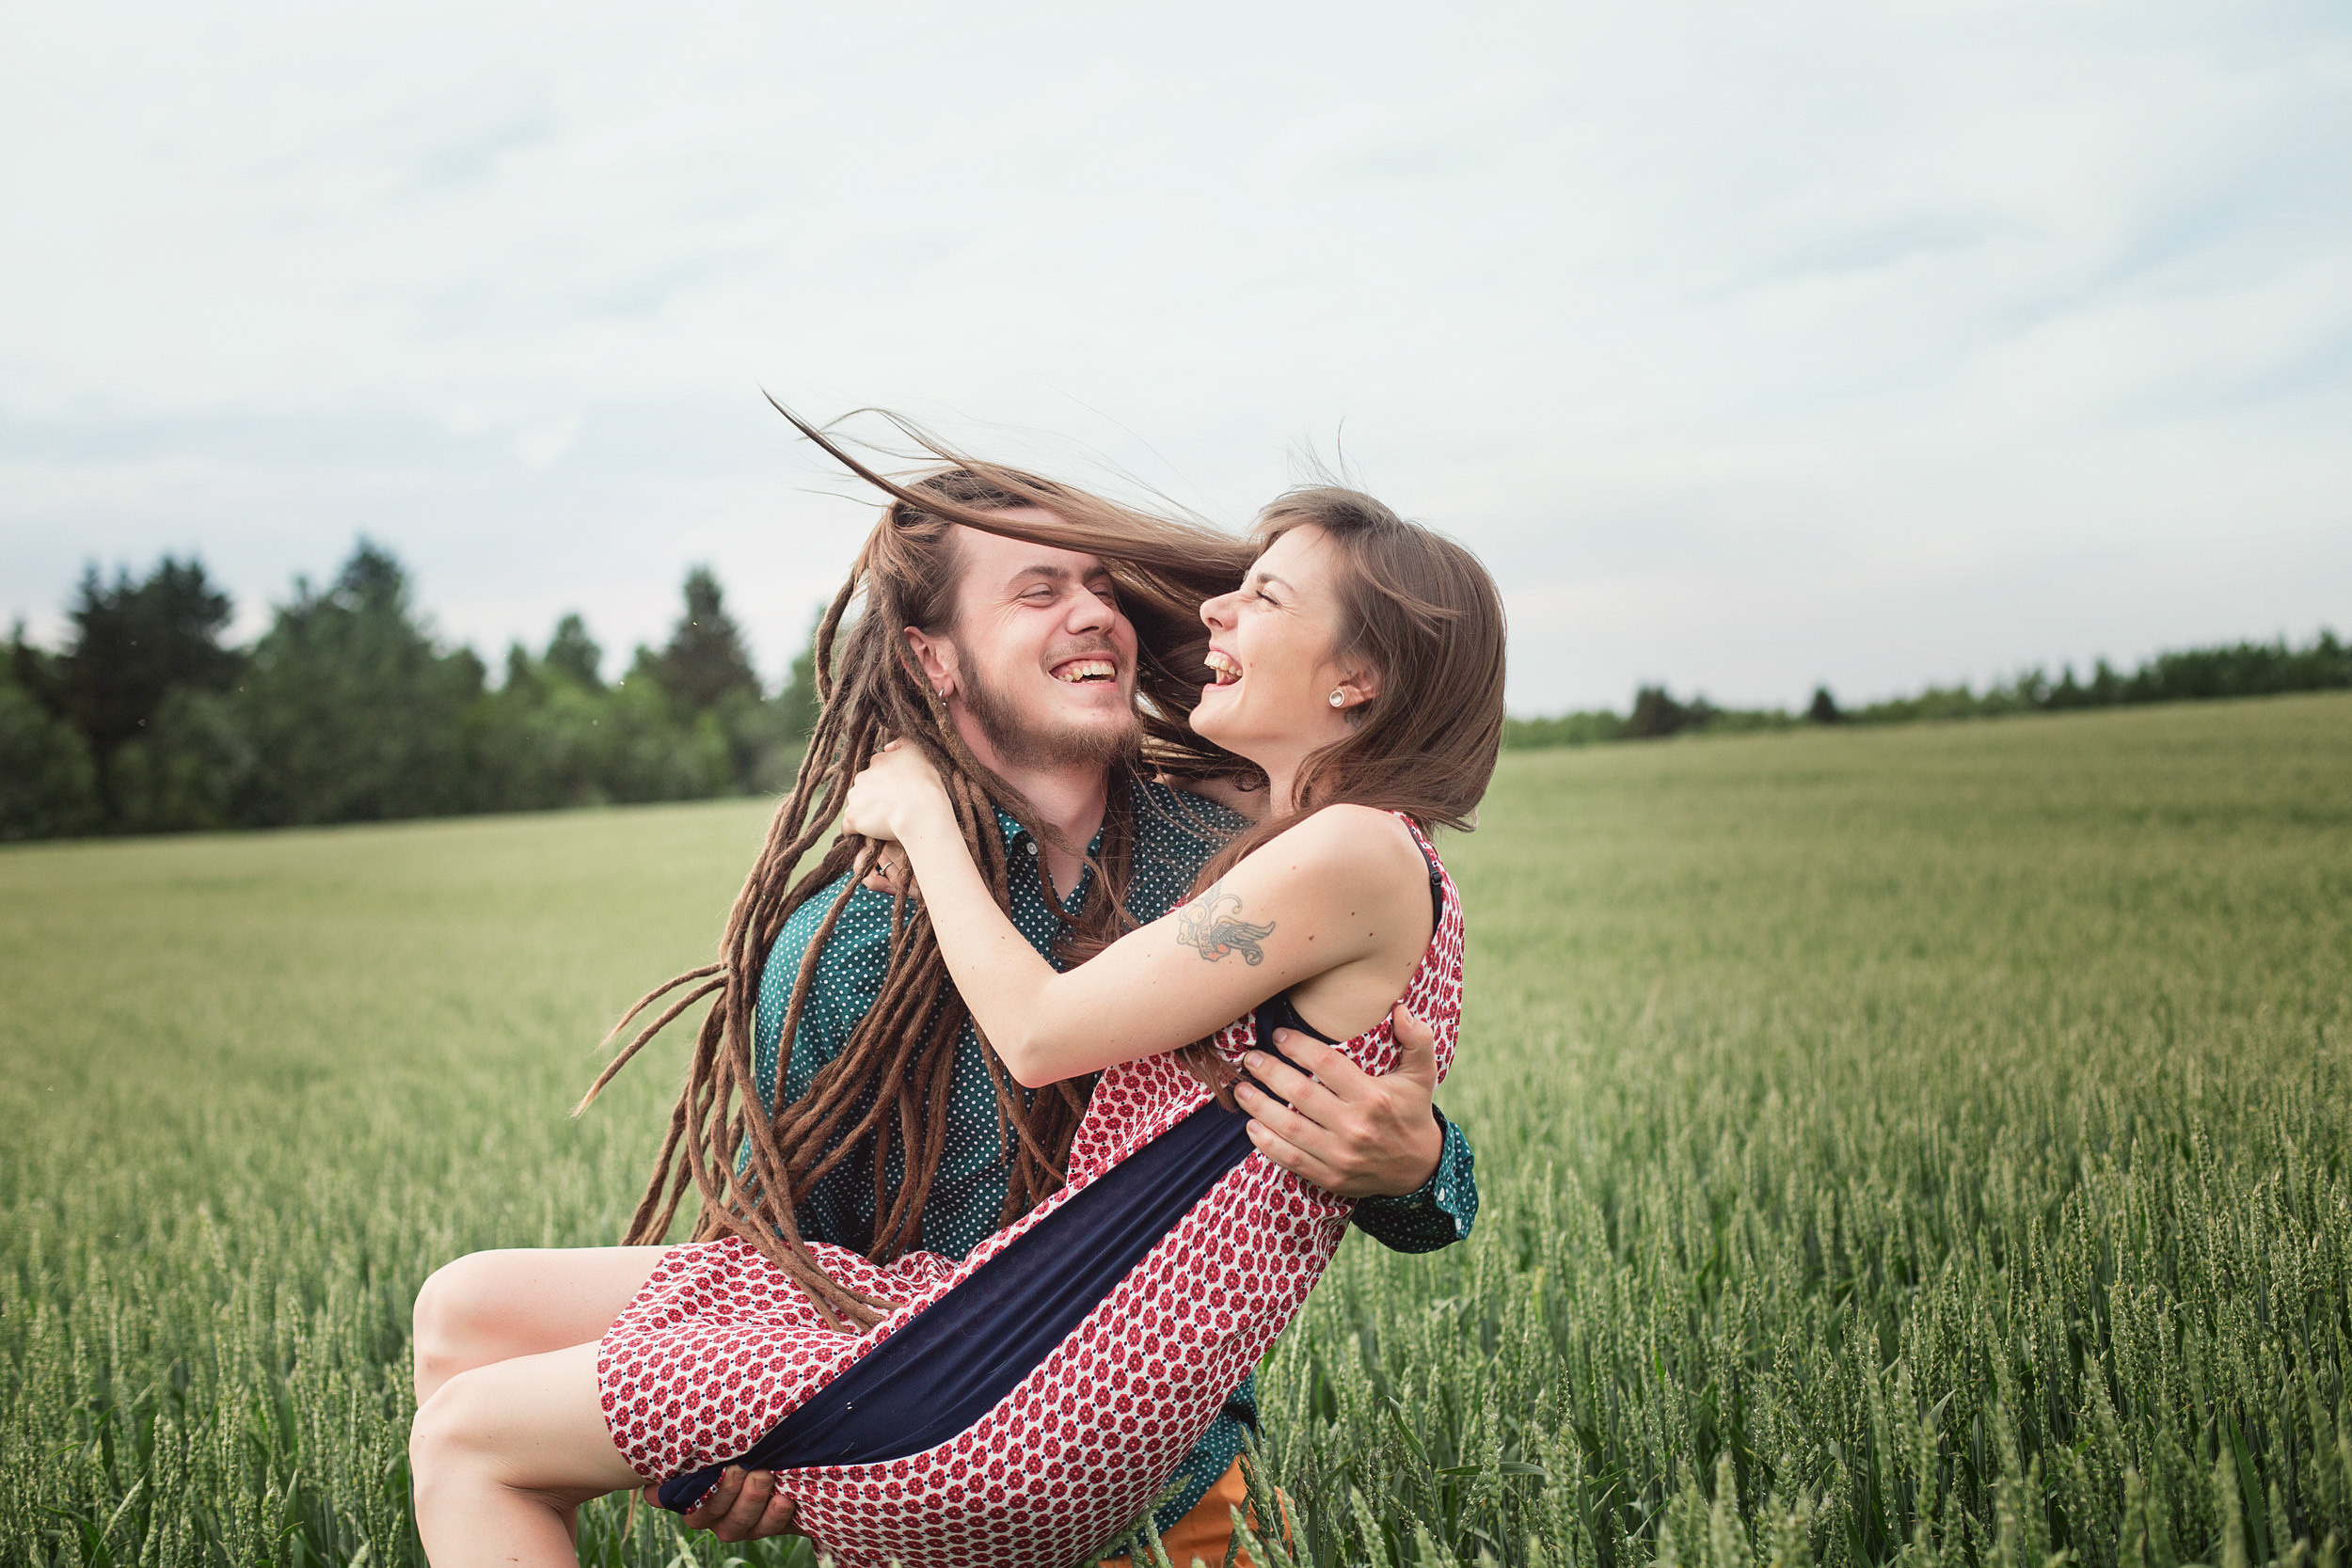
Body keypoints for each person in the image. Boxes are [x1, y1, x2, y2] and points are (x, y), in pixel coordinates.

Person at [407, 442, 1482, 1564]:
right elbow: (781, 1241)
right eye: (1038, 590)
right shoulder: (847, 946)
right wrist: (716, 1458)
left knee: (472, 1436)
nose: (1096, 616)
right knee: (460, 1313)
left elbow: (1366, 1124)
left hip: (1149, 1480)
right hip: (929, 1371)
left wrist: (1420, 1169)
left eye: (1101, 588)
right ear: (935, 657)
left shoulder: (1241, 855)